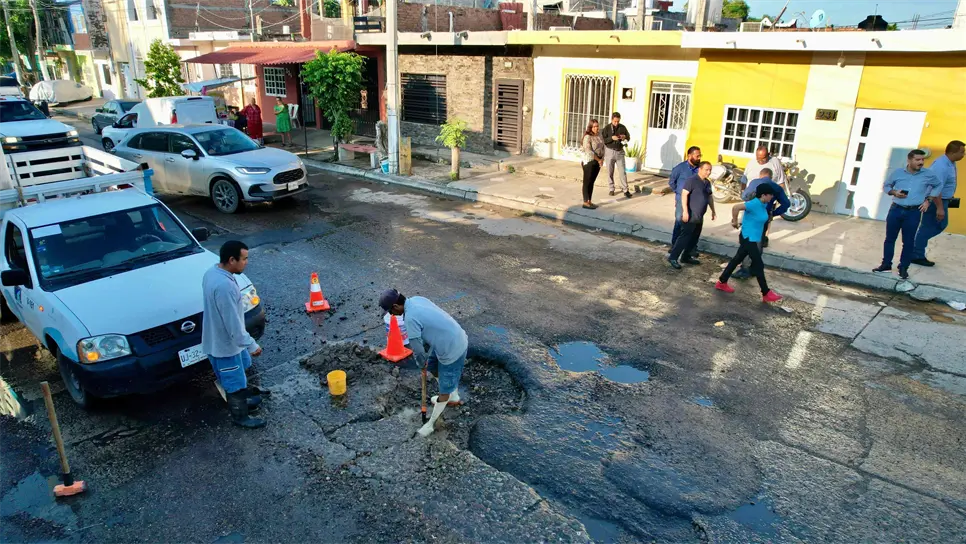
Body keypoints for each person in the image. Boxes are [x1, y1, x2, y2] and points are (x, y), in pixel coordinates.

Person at [379, 289, 468, 437]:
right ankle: (451, 394)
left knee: (444, 389)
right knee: (432, 366)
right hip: (445, 339)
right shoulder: (417, 299)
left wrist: (421, 364)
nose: (391, 315)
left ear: (395, 306)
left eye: (390, 311)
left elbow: (419, 351)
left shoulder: (410, 319)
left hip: (452, 348)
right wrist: (425, 364)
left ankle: (431, 423)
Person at [202, 241, 265, 429]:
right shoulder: (225, 287)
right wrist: (252, 345)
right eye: (244, 259)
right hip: (225, 345)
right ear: (231, 260)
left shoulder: (212, 272)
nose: (246, 262)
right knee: (233, 382)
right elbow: (233, 325)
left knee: (242, 367)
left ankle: (245, 400)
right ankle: (240, 416)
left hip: (221, 339)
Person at [873, 149, 942, 280]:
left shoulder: (928, 174)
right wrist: (894, 192)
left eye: (922, 160)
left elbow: (938, 185)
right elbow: (886, 186)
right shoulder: (898, 173)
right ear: (909, 160)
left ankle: (904, 267)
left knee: (908, 241)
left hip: (913, 212)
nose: (921, 162)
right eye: (917, 160)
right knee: (890, 239)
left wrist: (928, 200)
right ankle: (886, 264)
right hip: (896, 209)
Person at [716, 184, 784, 303]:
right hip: (748, 238)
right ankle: (766, 293)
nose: (772, 197)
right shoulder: (753, 204)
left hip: (752, 238)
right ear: (763, 195)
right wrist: (735, 222)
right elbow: (736, 207)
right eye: (770, 195)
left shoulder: (763, 204)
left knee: (737, 259)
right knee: (758, 264)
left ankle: (722, 281)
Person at [912, 140, 963, 267]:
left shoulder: (950, 163)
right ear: (953, 152)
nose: (964, 154)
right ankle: (916, 253)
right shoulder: (941, 166)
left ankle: (916, 249)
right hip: (935, 201)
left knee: (936, 225)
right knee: (930, 227)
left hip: (943, 200)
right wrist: (940, 208)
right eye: (962, 152)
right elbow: (935, 188)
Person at [732, 167, 790, 279]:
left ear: (760, 175)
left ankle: (745, 270)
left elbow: (744, 196)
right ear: (771, 177)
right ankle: (754, 268)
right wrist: (774, 213)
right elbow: (786, 204)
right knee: (759, 241)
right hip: (764, 216)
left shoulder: (755, 182)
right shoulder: (776, 187)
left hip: (752, 214)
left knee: (748, 241)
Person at [667, 161, 716, 269]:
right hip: (690, 214)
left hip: (699, 215)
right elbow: (684, 195)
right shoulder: (692, 180)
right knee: (685, 236)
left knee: (694, 237)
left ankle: (686, 256)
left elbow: (709, 197)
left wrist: (713, 210)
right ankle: (673, 257)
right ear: (700, 169)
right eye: (706, 170)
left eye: (710, 170)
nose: (708, 172)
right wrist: (685, 211)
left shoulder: (707, 182)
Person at [669, 146, 702, 252]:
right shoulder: (680, 168)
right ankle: (675, 246)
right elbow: (672, 182)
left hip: (695, 201)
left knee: (694, 224)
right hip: (681, 200)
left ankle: (691, 248)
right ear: (689, 156)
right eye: (697, 156)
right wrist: (678, 192)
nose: (699, 158)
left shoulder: (699, 169)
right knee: (679, 222)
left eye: (700, 156)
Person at [600, 112, 632, 199]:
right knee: (610, 171)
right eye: (615, 121)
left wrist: (624, 137)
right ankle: (611, 188)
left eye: (618, 121)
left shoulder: (622, 127)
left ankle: (625, 190)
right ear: (611, 120)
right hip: (609, 151)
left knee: (622, 172)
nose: (616, 123)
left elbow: (628, 137)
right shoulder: (607, 128)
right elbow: (603, 140)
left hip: (620, 152)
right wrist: (611, 138)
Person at [580, 119, 604, 210]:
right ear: (590, 127)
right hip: (589, 161)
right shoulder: (588, 137)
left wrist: (602, 159)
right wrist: (598, 159)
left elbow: (603, 147)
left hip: (598, 161)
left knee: (592, 182)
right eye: (594, 126)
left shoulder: (599, 135)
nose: (596, 128)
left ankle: (589, 200)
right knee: (587, 182)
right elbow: (588, 151)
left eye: (597, 126)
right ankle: (585, 202)